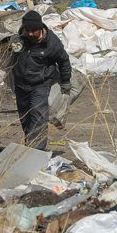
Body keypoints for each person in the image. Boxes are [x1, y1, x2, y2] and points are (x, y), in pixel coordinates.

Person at [12, 10, 72, 150]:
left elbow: (64, 60)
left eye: (34, 31)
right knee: (25, 117)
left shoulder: (51, 43)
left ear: (41, 28)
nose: (31, 34)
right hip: (21, 84)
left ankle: (36, 150)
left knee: (38, 116)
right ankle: (30, 146)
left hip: (40, 84)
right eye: (28, 30)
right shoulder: (19, 38)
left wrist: (66, 81)